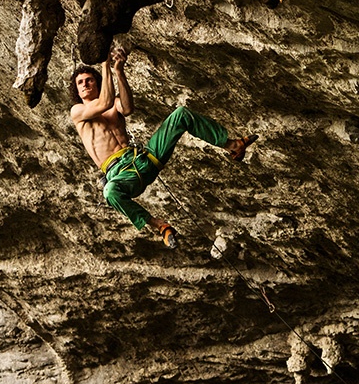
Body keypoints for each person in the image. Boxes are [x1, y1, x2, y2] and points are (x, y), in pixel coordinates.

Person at [70, 44, 257, 249]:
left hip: (145, 158)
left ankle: (232, 145)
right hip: (121, 174)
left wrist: (118, 70)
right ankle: (159, 225)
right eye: (80, 82)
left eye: (89, 80)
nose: (85, 84)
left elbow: (128, 108)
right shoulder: (78, 112)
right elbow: (103, 104)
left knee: (181, 115)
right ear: (77, 90)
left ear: (97, 83)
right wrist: (105, 64)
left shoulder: (112, 103)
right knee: (110, 192)